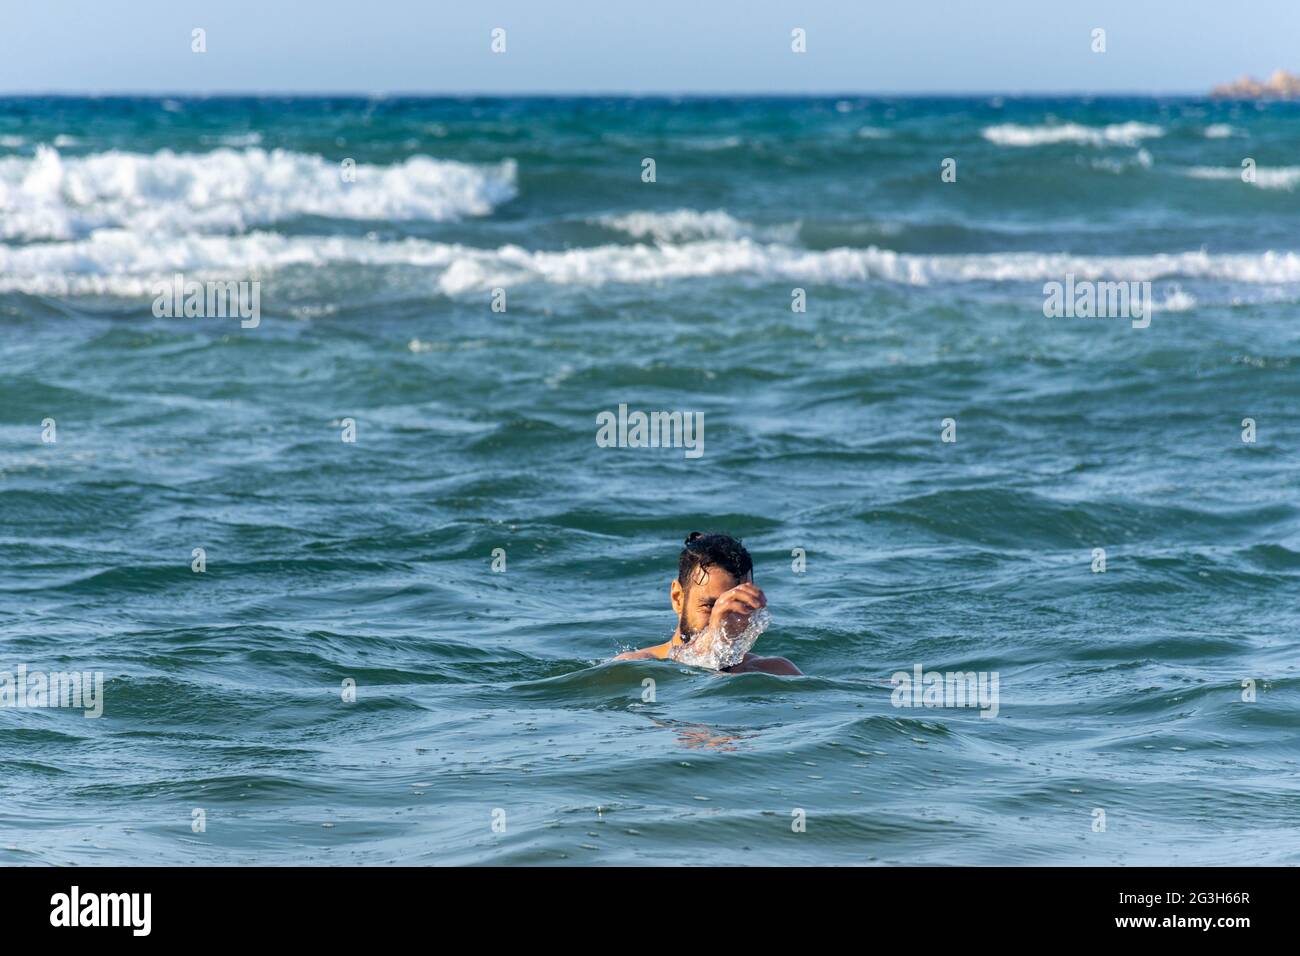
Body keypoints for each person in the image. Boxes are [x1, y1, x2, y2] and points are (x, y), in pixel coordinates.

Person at [614, 532, 801, 675]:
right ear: (678, 598)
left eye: (738, 605)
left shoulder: (776, 672)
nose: (722, 622)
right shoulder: (634, 668)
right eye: (710, 607)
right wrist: (708, 650)